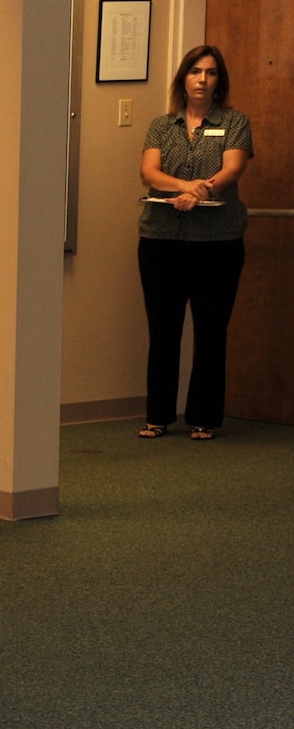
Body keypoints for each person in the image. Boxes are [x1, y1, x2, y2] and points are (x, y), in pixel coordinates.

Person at [136, 44, 253, 441]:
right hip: (161, 240)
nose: (202, 79)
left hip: (216, 243)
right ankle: (158, 417)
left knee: (210, 330)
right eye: (195, 72)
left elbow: (232, 168)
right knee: (163, 330)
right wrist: (186, 187)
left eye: (211, 72)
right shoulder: (161, 125)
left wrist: (199, 193)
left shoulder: (234, 122)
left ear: (220, 81)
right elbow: (149, 172)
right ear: (183, 78)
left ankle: (203, 417)